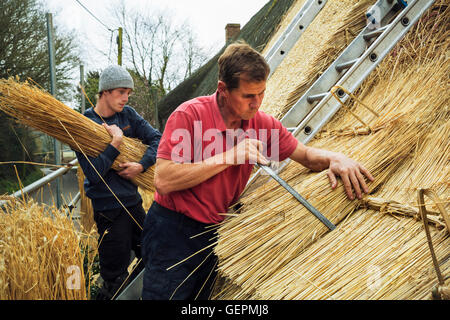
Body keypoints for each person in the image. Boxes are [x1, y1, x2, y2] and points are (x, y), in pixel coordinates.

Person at [141, 42, 374, 300]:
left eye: (262, 93)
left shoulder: (261, 124)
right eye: (248, 96)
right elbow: (163, 179)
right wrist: (231, 156)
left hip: (214, 232)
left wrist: (336, 158)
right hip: (173, 229)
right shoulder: (189, 116)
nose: (257, 103)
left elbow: (305, 155)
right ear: (223, 90)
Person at [75, 65, 161, 300]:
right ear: (105, 91)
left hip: (132, 203)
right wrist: (116, 142)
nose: (125, 98)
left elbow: (157, 139)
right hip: (109, 211)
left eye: (128, 93)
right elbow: (94, 173)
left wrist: (141, 165)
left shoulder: (128, 115)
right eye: (121, 92)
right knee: (114, 278)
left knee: (154, 252)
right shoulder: (83, 123)